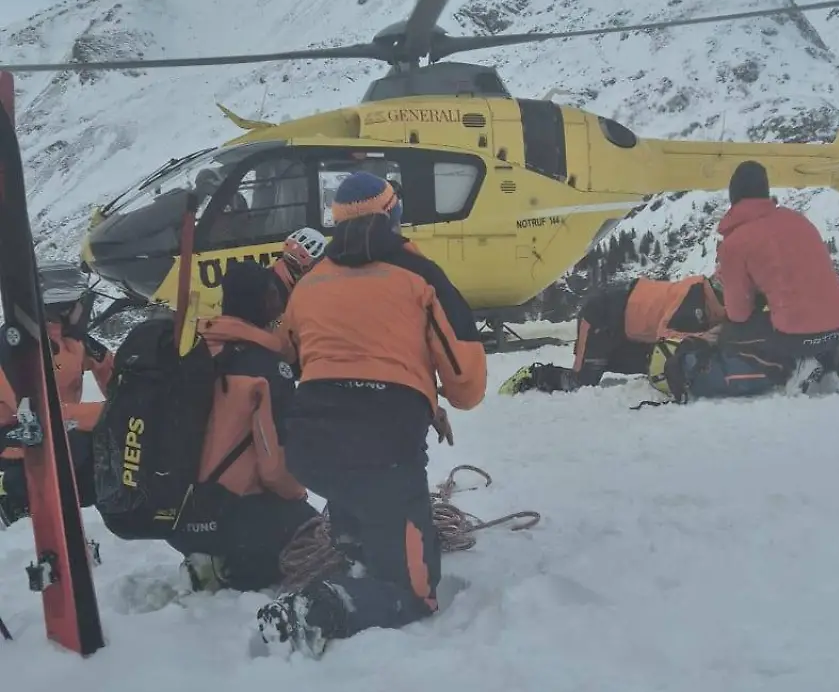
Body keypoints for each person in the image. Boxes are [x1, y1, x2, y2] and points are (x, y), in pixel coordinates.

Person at [258, 171, 486, 655]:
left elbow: (290, 354)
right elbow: (467, 384)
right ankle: (318, 609)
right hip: (384, 450)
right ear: (393, 214)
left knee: (354, 483)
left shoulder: (312, 282)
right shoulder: (420, 276)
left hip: (311, 447)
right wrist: (428, 391)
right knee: (416, 592)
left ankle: (353, 543)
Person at [170, 261, 315, 592]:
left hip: (177, 514)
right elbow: (274, 467)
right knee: (318, 534)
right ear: (263, 301)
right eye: (274, 295)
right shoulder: (265, 369)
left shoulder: (195, 350)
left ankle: (208, 558)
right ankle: (229, 565)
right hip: (233, 515)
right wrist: (299, 499)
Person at [713, 160, 839, 392]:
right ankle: (826, 365)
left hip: (800, 337)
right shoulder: (798, 219)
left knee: (730, 333)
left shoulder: (735, 243)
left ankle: (797, 364)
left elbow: (738, 314)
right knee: (801, 315)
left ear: (733, 197)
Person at [0, 263, 113, 525]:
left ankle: (73, 510)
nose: (85, 310)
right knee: (81, 442)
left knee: (103, 449)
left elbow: (113, 371)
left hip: (56, 429)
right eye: (80, 303)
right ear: (63, 306)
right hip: (13, 435)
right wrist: (110, 412)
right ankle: (14, 496)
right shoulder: (15, 346)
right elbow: (36, 412)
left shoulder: (74, 340)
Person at [501, 273, 726, 395]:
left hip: (629, 330)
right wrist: (704, 339)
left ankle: (597, 360)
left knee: (651, 366)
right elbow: (665, 336)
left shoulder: (706, 299)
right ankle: (533, 376)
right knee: (582, 383)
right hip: (601, 317)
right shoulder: (693, 298)